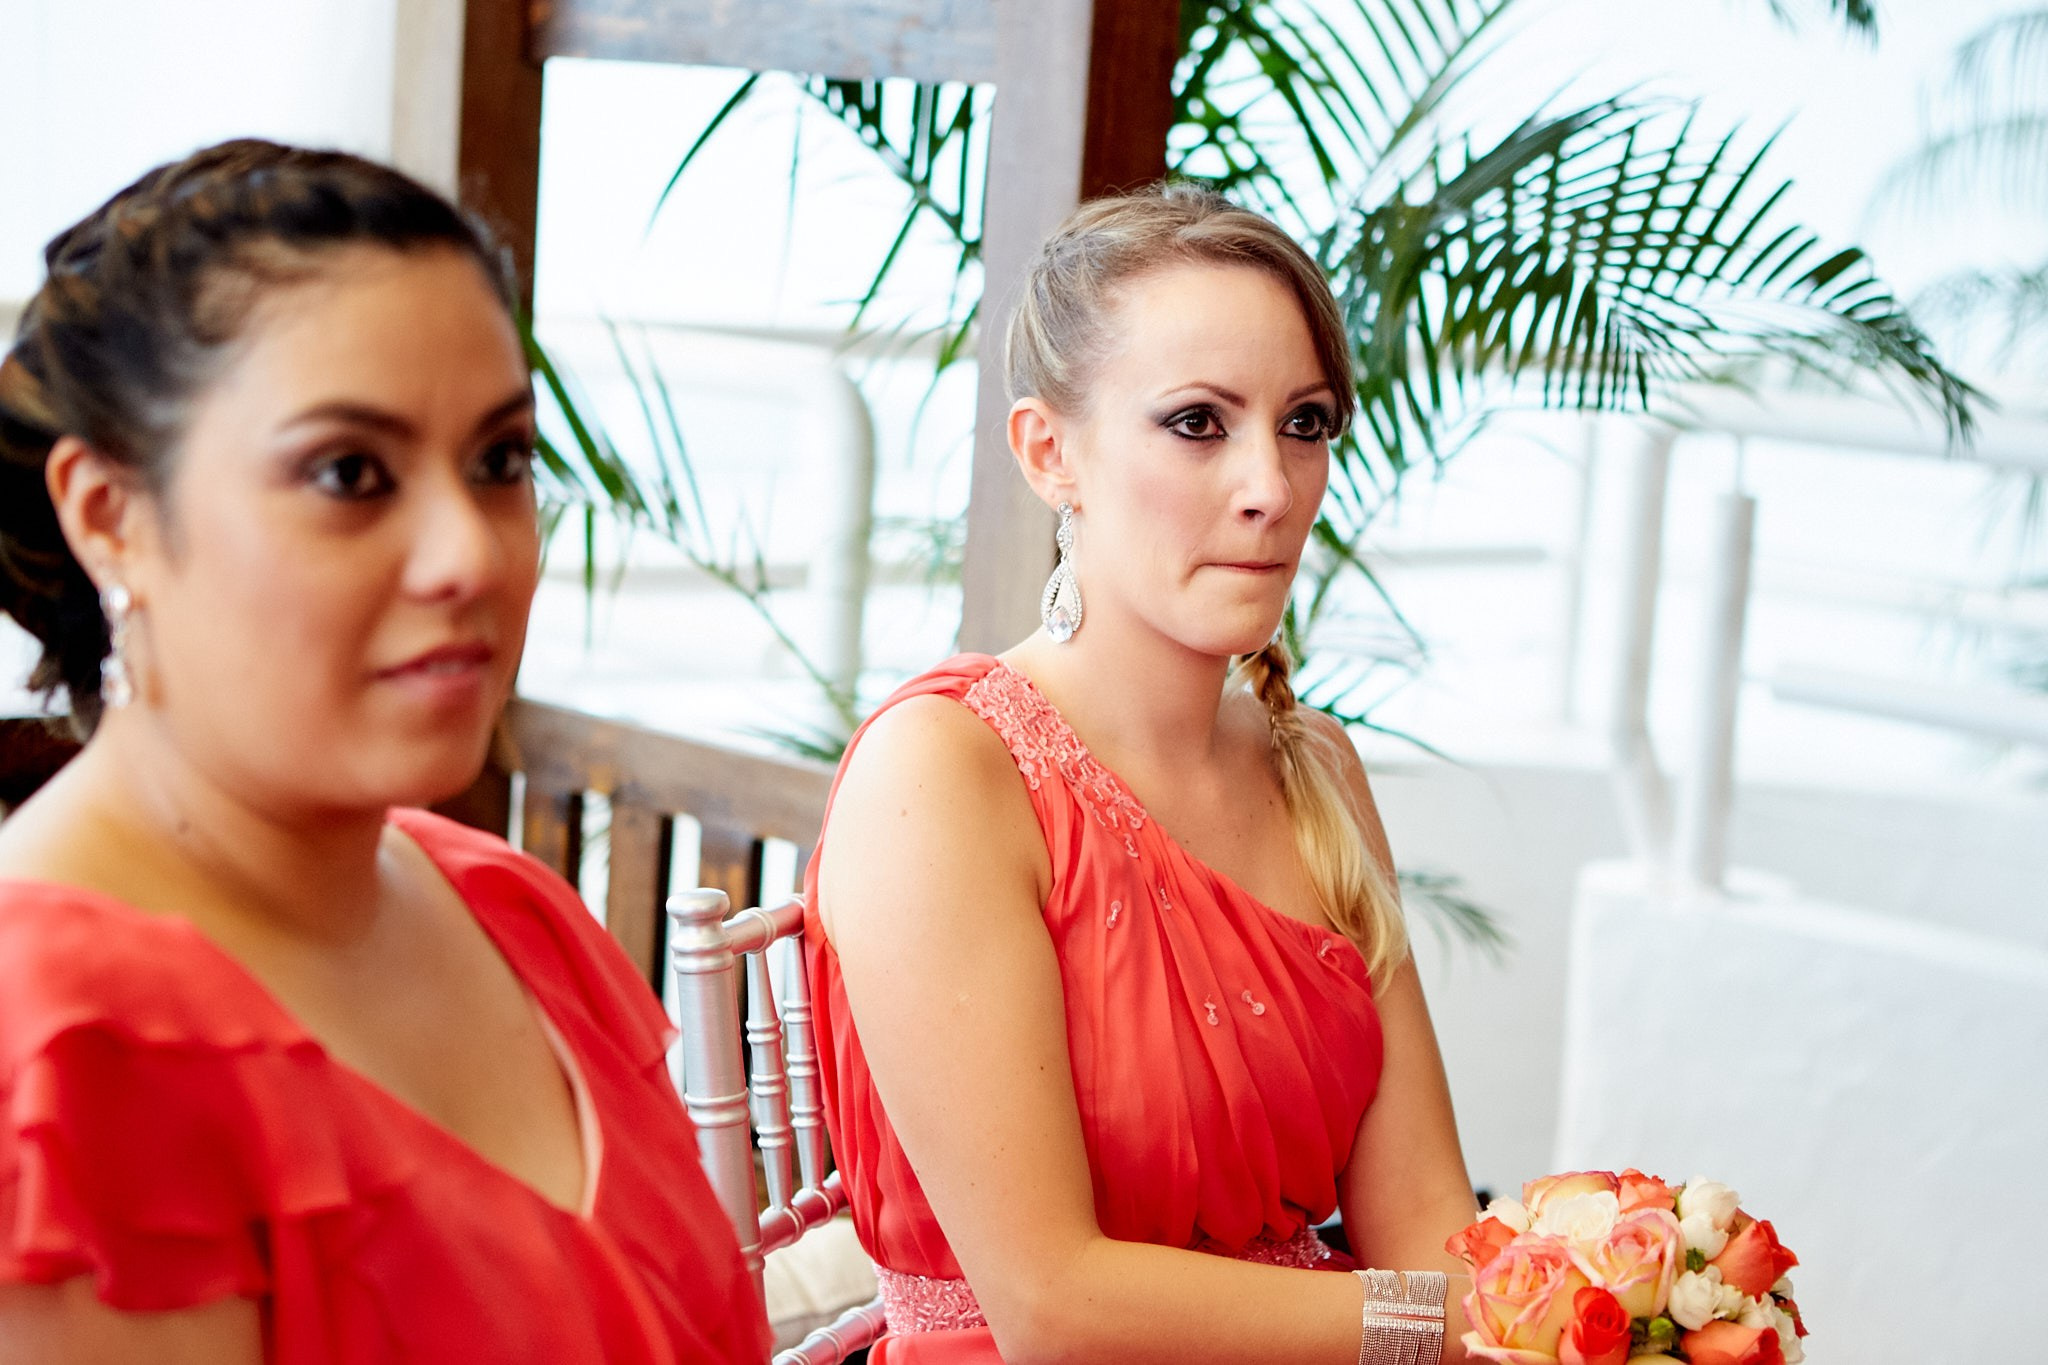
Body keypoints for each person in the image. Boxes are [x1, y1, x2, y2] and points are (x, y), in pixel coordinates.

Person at [0, 140, 768, 1365]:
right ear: (112, 516)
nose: (469, 553)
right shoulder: (56, 1047)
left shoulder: (512, 914)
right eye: (350, 473)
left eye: (499, 462)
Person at [805, 183, 1480, 1364]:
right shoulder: (944, 772)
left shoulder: (1317, 767)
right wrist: (1458, 1331)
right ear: (1048, 451)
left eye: (1305, 423)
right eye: (1195, 423)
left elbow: (1424, 1225)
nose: (1270, 487)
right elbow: (1052, 1309)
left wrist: (1584, 1309)